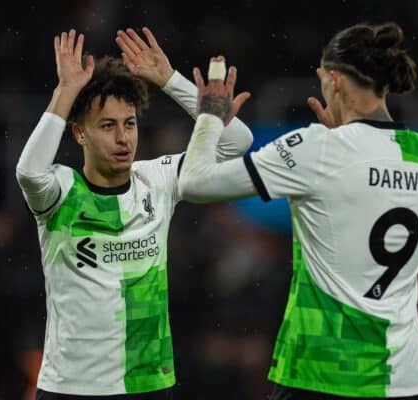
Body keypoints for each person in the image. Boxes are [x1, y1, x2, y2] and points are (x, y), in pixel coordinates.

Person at [179, 22, 418, 399]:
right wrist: (343, 143)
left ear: (335, 80)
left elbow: (195, 184)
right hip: (405, 377)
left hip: (324, 372)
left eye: (322, 79)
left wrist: (209, 115)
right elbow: (369, 182)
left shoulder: (317, 148)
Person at [15, 27, 252, 399]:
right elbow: (28, 171)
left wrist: (169, 80)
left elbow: (238, 143)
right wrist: (65, 92)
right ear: (79, 133)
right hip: (71, 388)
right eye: (107, 126)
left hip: (148, 384)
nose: (123, 138)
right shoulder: (60, 191)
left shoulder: (156, 180)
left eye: (129, 124)